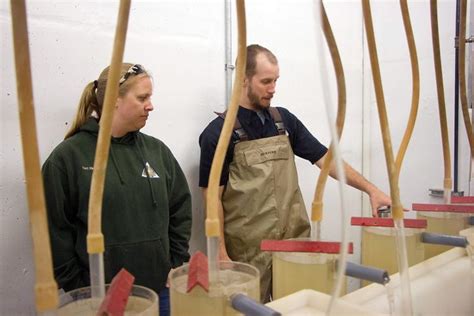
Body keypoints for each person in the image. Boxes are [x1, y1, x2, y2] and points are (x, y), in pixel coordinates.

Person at [198, 44, 391, 302]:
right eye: (266, 81)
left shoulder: (284, 122)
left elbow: (327, 161)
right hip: (246, 252)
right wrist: (220, 252)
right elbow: (211, 199)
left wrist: (372, 190)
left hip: (294, 244)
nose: (273, 88)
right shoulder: (217, 134)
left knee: (298, 306)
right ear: (243, 80)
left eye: (275, 80)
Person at [42, 63, 192, 315]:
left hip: (160, 292)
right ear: (114, 99)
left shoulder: (157, 152)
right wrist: (81, 287)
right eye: (143, 97)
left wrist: (174, 262)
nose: (151, 105)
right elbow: (54, 231)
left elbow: (180, 208)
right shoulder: (68, 158)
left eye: (150, 97)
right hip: (101, 300)